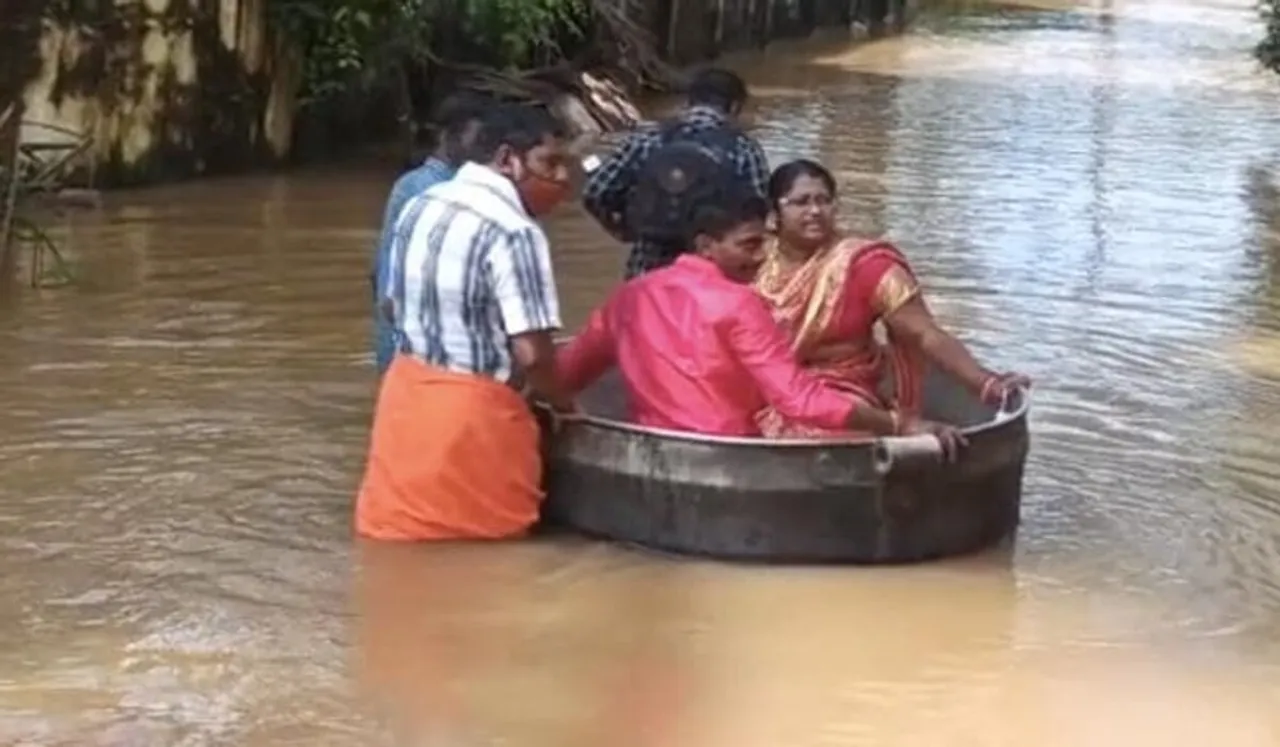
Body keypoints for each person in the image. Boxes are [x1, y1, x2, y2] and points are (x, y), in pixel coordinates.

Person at [556, 180, 965, 450]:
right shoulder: (739, 303)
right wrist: (898, 424)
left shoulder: (631, 295)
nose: (761, 257)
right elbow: (800, 400)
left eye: (763, 243)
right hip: (729, 457)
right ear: (705, 246)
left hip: (651, 450)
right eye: (749, 245)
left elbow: (563, 375)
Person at [356, 102, 577, 542]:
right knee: (488, 562)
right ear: (506, 159)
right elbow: (533, 354)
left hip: (406, 404)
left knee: (398, 551)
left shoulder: (421, 203)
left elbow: (390, 307)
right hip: (472, 422)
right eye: (548, 163)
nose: (562, 179)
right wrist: (567, 408)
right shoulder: (515, 230)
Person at [754, 159, 1031, 438]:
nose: (815, 211)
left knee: (815, 433)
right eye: (801, 202)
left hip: (842, 391)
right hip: (765, 386)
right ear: (773, 213)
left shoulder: (865, 265)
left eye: (824, 201)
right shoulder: (751, 263)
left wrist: (986, 383)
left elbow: (924, 334)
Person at [582, 67, 770, 279]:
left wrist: (623, 229)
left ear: (690, 100)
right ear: (735, 107)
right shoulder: (744, 149)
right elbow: (759, 216)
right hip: (712, 277)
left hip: (647, 271)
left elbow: (595, 192)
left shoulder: (647, 138)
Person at [369, 92, 489, 376]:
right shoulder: (434, 191)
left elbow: (378, 275)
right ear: (448, 136)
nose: (485, 150)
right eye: (479, 139)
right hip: (415, 352)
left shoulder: (414, 185)